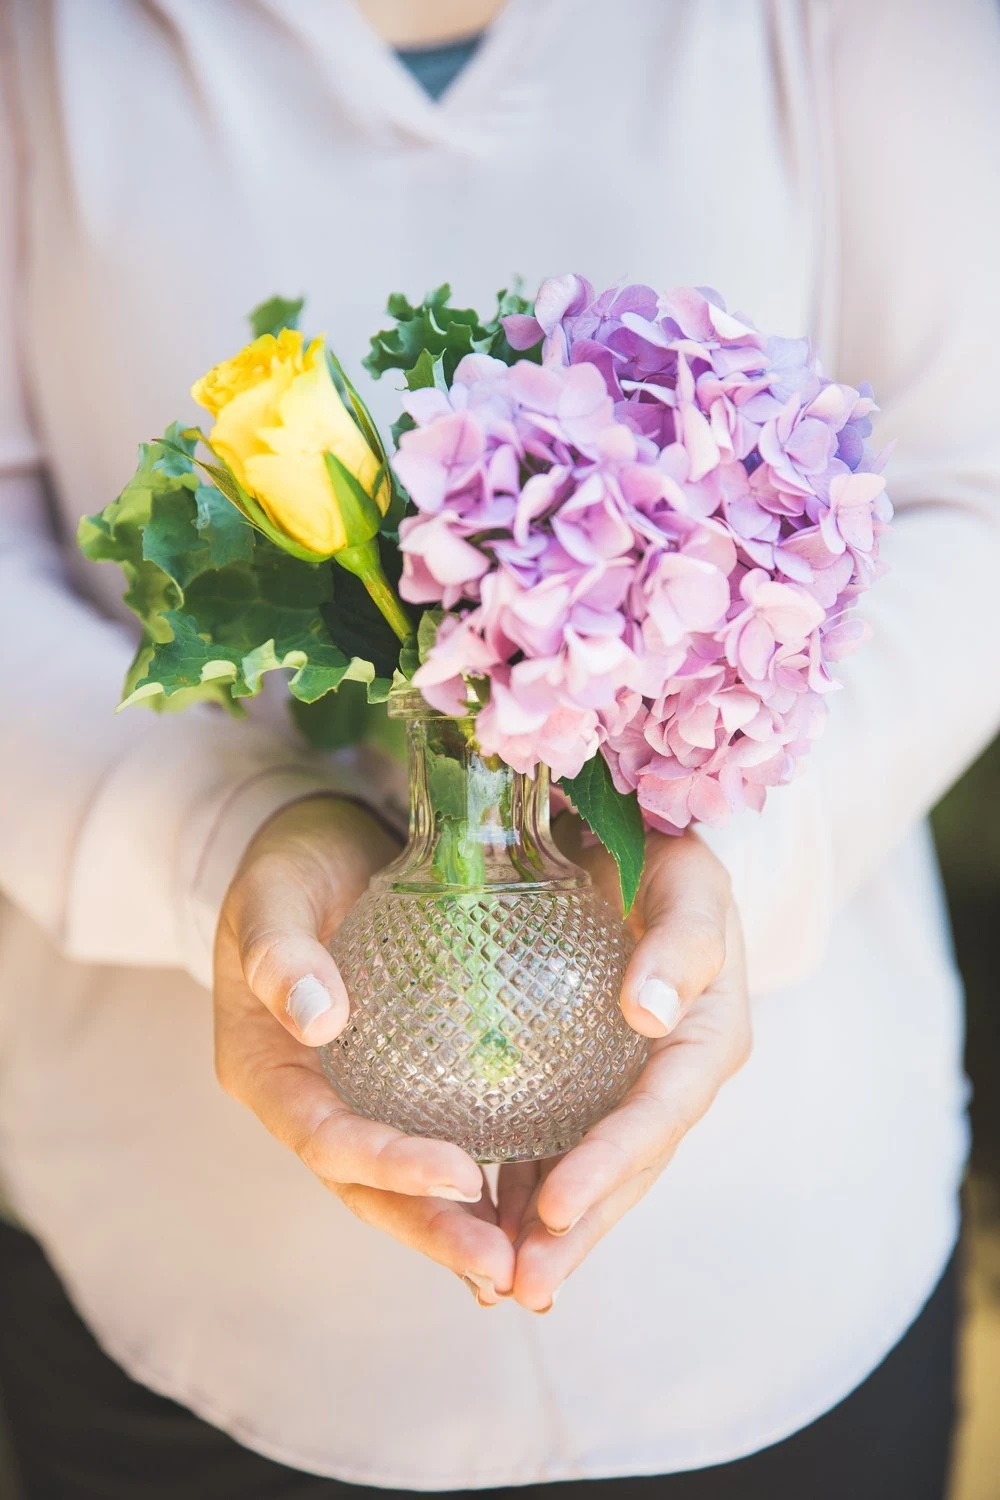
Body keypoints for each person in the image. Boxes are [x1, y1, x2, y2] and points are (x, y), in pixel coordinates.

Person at [0, 1, 997, 1496]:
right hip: (189, 1298)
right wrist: (229, 835)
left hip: (780, 1278)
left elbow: (973, 490)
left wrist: (711, 852)